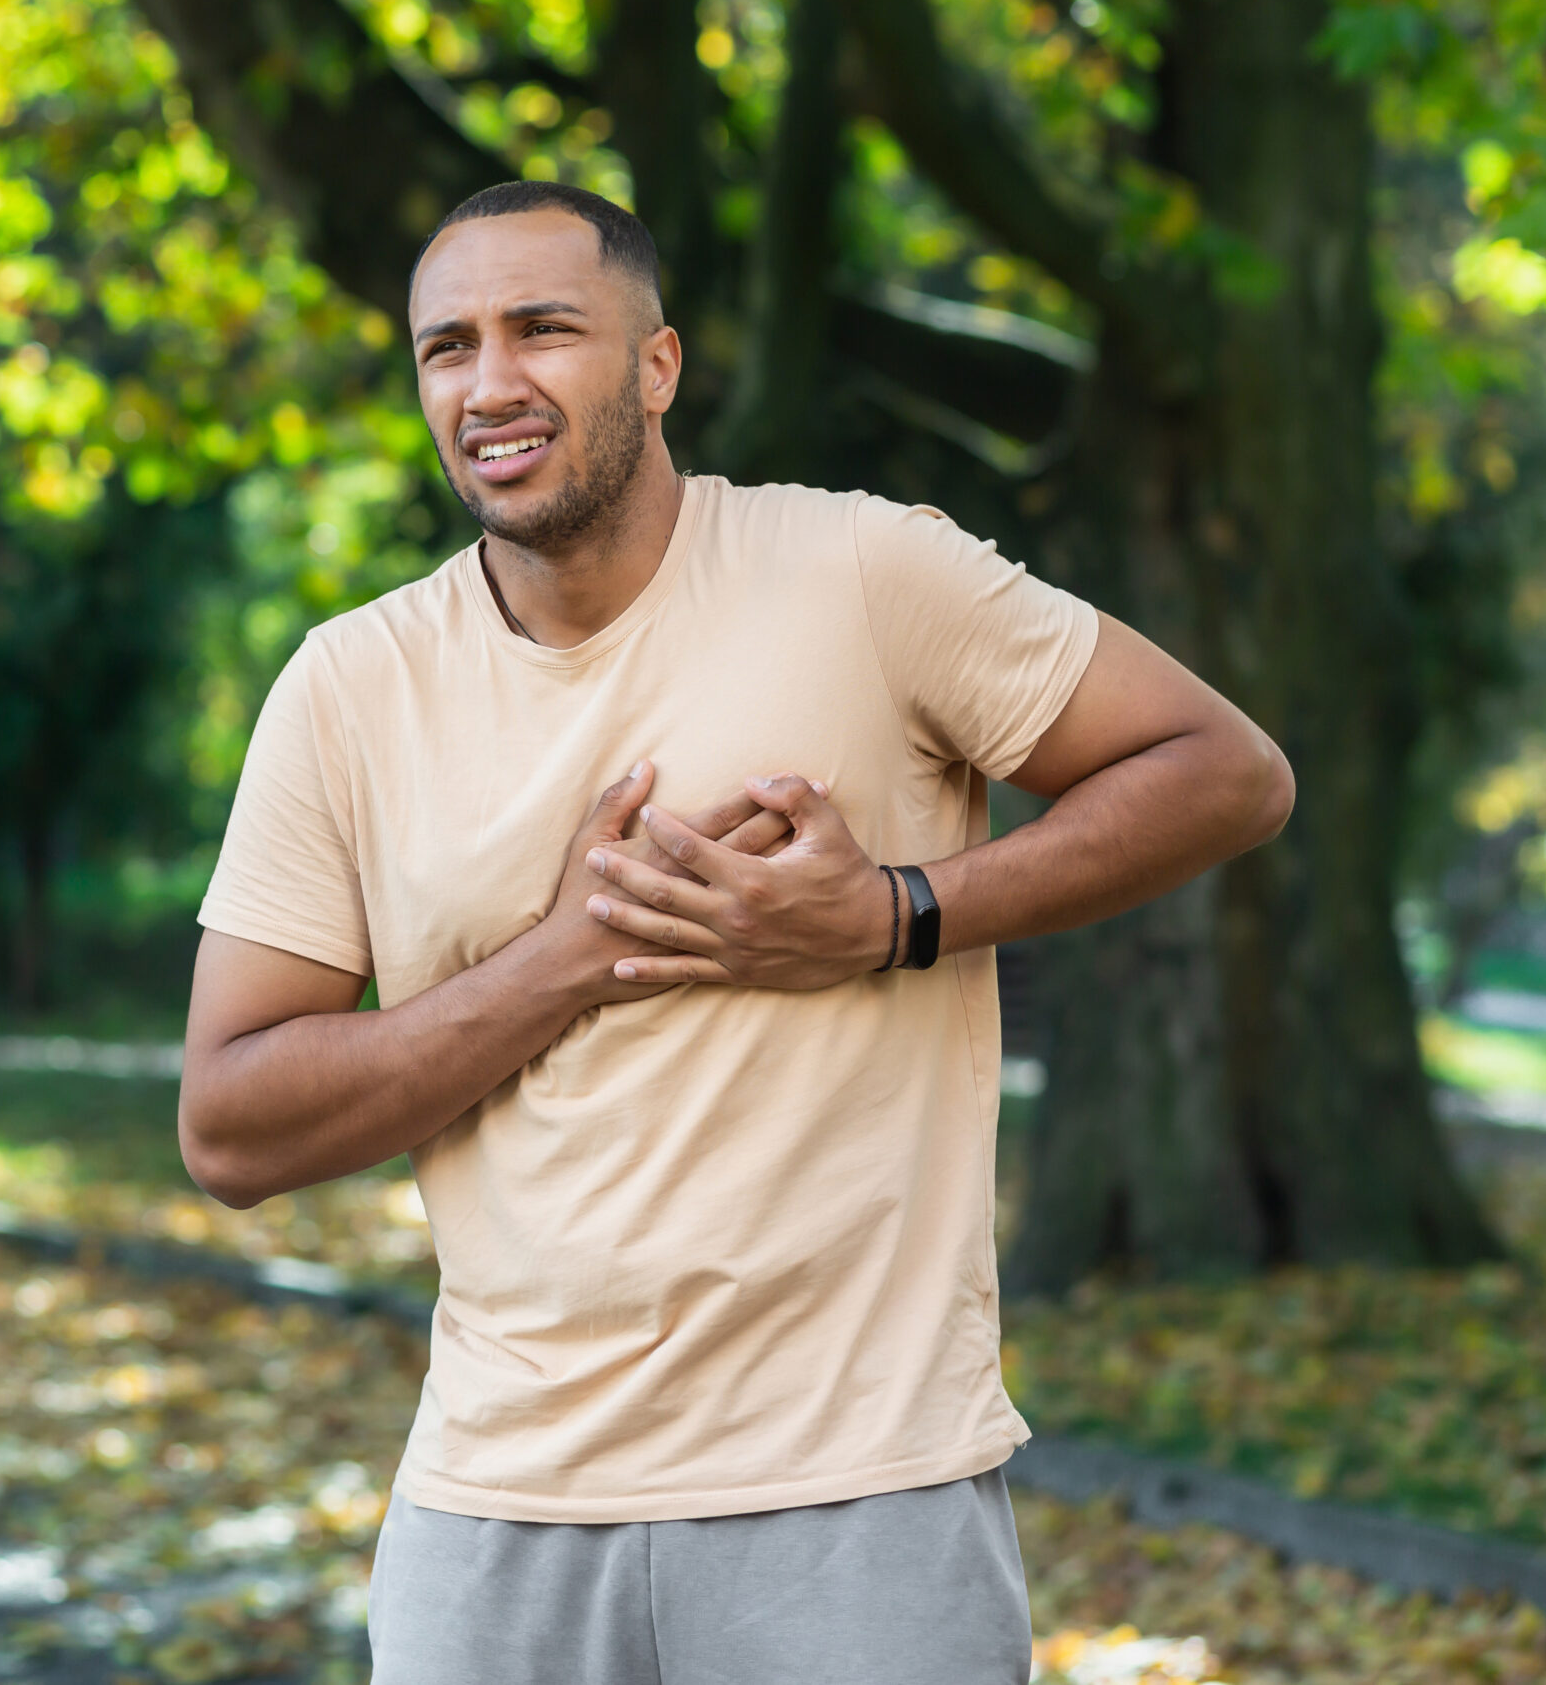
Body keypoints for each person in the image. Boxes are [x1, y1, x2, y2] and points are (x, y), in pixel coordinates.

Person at [178, 180, 1293, 1684]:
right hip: (495, 1514)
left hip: (857, 1498)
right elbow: (232, 1129)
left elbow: (1226, 774)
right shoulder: (349, 688)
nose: (490, 382)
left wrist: (895, 916)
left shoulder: (864, 573)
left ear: (656, 367)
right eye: (448, 347)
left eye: (543, 330)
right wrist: (568, 954)